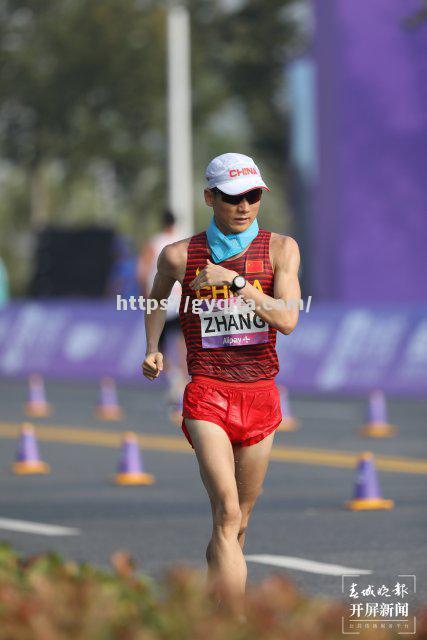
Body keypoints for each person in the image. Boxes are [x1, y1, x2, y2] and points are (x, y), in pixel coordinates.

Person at [141, 153, 301, 618]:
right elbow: (153, 300)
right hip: (207, 392)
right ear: (209, 197)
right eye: (233, 197)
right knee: (228, 513)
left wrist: (236, 283)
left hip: (260, 395)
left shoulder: (280, 249)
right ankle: (234, 620)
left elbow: (288, 319)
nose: (245, 206)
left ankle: (213, 613)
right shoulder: (179, 255)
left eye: (254, 196)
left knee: (236, 525)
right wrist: (153, 346)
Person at [137, 211, 188, 417]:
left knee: (160, 348)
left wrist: (145, 295)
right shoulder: (184, 241)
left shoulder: (155, 243)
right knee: (183, 345)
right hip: (183, 302)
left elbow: (141, 271)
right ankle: (183, 384)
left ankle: (175, 381)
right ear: (175, 223)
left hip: (162, 303)